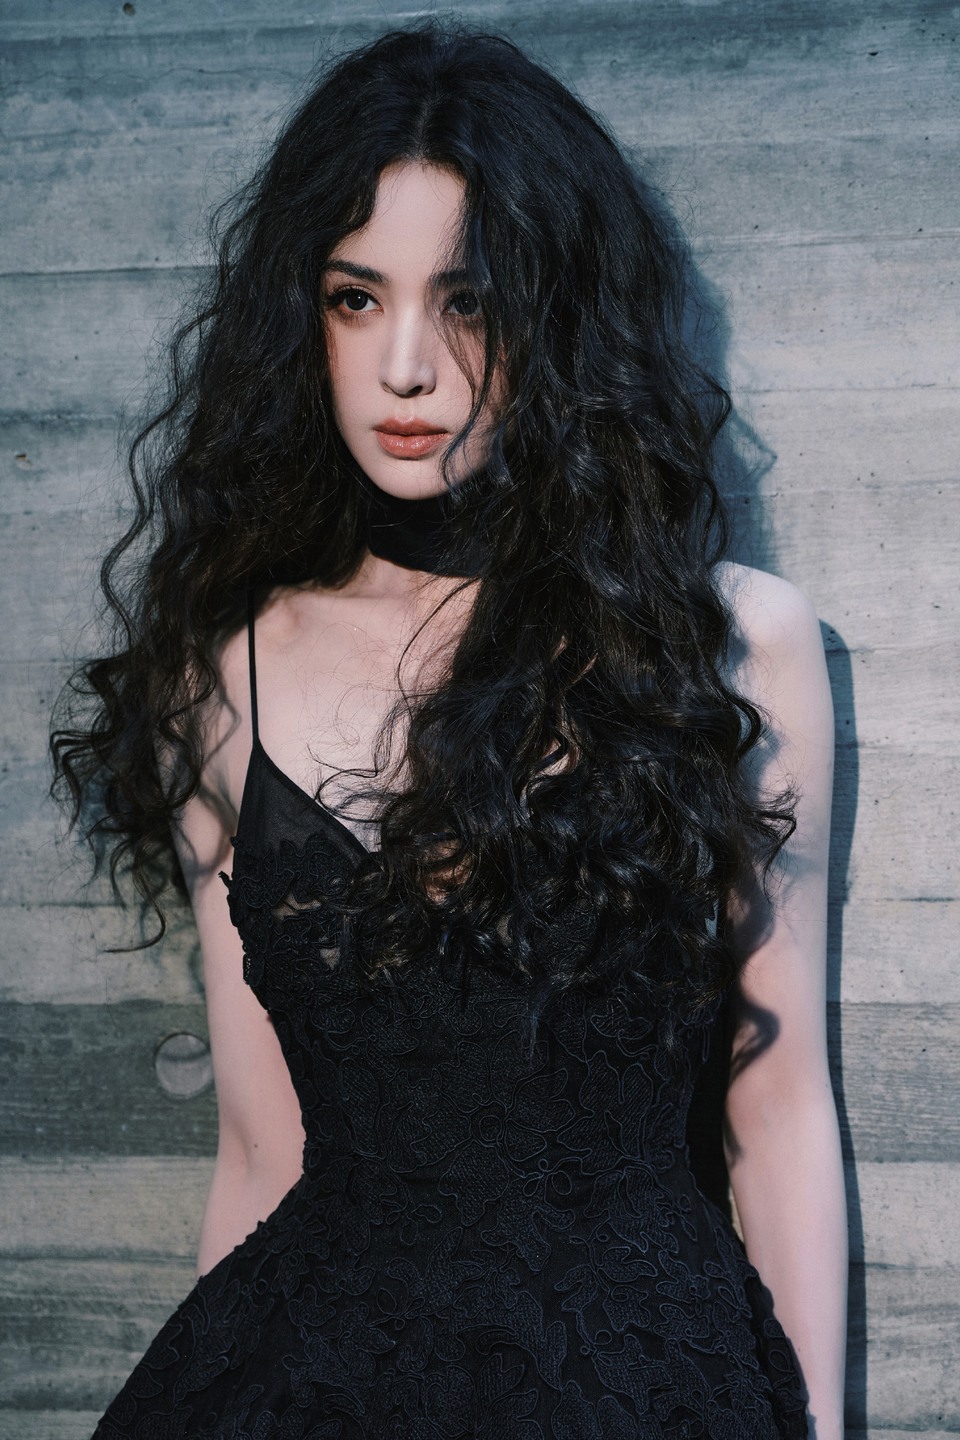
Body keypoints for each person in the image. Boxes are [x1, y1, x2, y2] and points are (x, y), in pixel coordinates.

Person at [52, 21, 847, 1439]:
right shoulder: (224, 675)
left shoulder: (731, 643)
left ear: (557, 318)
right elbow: (261, 1155)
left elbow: (776, 1110)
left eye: (468, 302)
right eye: (357, 299)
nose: (407, 365)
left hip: (639, 1389)